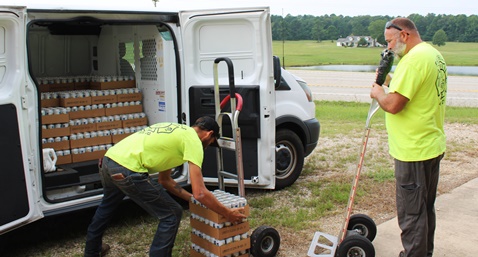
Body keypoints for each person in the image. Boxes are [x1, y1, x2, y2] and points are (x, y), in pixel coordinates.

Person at [84, 116, 246, 257]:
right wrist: (227, 213)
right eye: (211, 142)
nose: (209, 145)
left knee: (106, 207)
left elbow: (165, 180)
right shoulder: (194, 141)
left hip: (108, 161)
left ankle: (91, 252)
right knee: (171, 214)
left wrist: (192, 200)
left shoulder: (176, 131)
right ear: (209, 134)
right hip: (128, 169)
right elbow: (201, 193)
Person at [370, 18, 447, 257]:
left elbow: (393, 105)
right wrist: (390, 80)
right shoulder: (432, 55)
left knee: (411, 215)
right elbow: (416, 88)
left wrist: (379, 92)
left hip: (413, 150)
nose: (389, 47)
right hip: (430, 144)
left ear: (404, 35)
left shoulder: (413, 61)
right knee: (424, 209)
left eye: (390, 41)